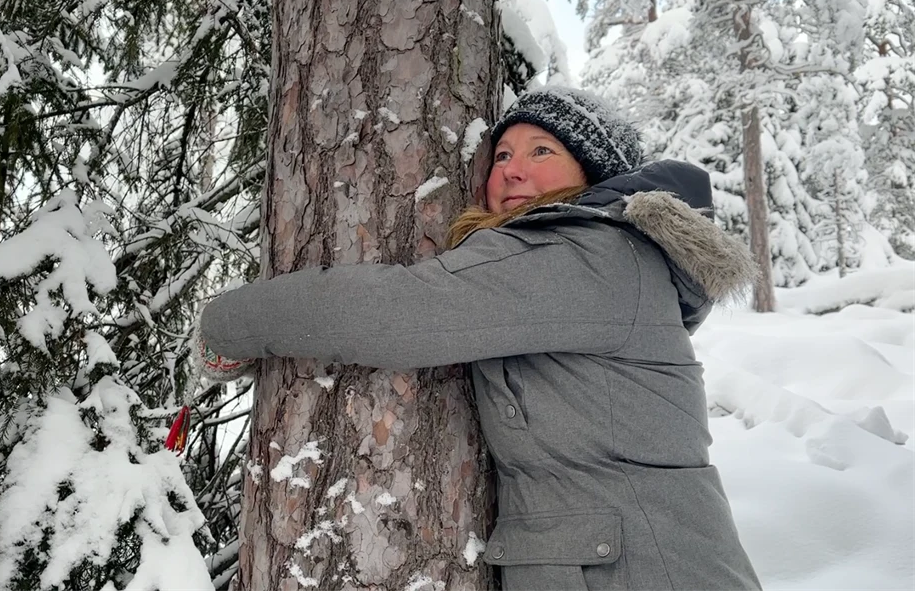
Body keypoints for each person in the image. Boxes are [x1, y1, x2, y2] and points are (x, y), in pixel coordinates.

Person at [193, 86, 763, 590]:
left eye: (543, 151)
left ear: (594, 174)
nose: (513, 170)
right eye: (503, 155)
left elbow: (401, 312)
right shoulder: (604, 259)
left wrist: (229, 327)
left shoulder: (585, 255)